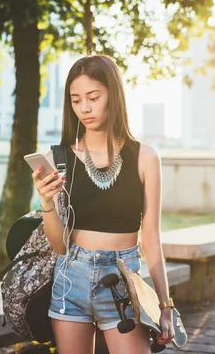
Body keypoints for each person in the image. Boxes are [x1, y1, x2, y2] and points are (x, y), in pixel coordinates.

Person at [31, 55, 175, 354]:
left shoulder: (145, 157)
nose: (84, 108)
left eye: (93, 97)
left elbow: (151, 238)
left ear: (113, 94)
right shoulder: (59, 159)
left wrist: (165, 306)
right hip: (71, 279)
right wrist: (46, 201)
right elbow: (59, 246)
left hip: (122, 280)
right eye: (76, 100)